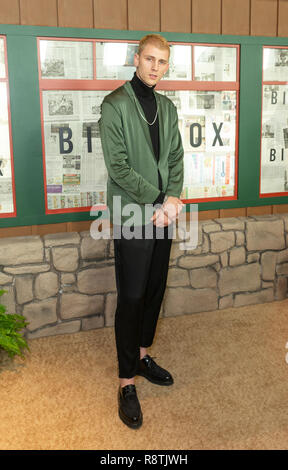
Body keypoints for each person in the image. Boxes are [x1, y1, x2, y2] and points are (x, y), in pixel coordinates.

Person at [99, 34, 184, 429]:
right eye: (149, 59)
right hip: (133, 212)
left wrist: (173, 198)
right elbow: (118, 168)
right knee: (131, 296)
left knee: (153, 289)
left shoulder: (167, 108)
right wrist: (158, 200)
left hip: (162, 215)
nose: (155, 66)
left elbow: (176, 158)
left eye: (162, 61)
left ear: (167, 66)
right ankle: (126, 381)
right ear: (136, 59)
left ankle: (143, 355)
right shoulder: (114, 104)